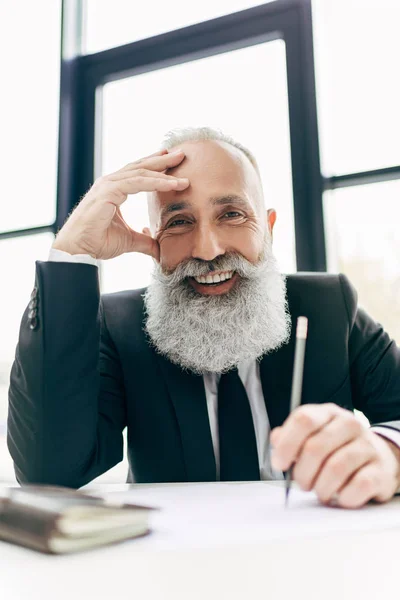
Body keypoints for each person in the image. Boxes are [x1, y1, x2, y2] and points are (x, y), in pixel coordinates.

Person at [7, 127, 400, 509]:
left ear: (269, 227)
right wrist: (72, 252)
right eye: (179, 222)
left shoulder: (330, 306)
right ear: (153, 239)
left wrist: (387, 451)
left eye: (231, 214)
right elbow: (50, 469)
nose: (208, 250)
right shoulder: (119, 324)